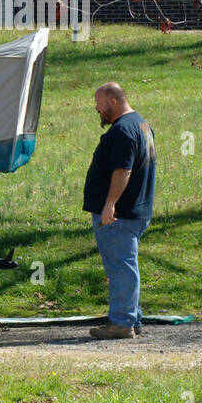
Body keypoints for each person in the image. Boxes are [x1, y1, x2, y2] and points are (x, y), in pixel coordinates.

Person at [82, 82, 155, 339]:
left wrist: (109, 204)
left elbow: (123, 171)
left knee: (121, 268)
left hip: (120, 214)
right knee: (125, 265)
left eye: (99, 103)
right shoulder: (141, 124)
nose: (97, 109)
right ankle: (131, 319)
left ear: (112, 102)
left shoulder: (123, 131)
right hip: (135, 210)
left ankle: (122, 323)